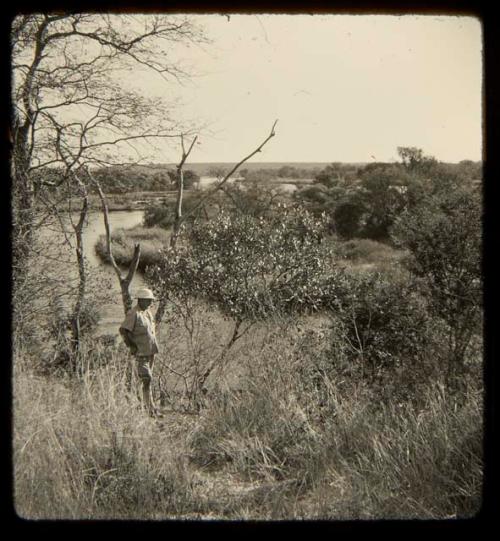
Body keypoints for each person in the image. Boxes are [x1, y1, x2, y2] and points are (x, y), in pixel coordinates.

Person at [119, 288, 161, 417]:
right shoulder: (134, 313)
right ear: (141, 300)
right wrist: (132, 346)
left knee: (148, 381)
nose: (150, 303)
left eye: (151, 301)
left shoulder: (147, 312)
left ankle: (151, 409)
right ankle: (144, 408)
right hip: (141, 353)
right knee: (146, 379)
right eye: (148, 301)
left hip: (150, 351)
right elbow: (123, 330)